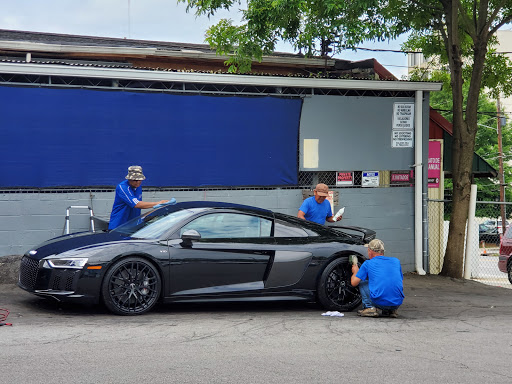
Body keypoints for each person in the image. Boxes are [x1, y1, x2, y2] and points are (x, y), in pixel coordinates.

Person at [350, 239, 404, 318]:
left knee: (362, 282)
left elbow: (353, 282)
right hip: (397, 303)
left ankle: (369, 307)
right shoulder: (396, 261)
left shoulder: (368, 263)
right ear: (383, 251)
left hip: (379, 303)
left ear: (370, 251)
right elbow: (399, 280)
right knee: (390, 282)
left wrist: (355, 272)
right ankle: (391, 310)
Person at [108, 165, 168, 230]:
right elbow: (137, 204)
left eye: (139, 180)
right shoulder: (123, 188)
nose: (138, 182)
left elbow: (139, 205)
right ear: (129, 179)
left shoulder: (138, 187)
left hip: (133, 226)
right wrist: (159, 203)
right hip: (119, 226)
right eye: (135, 180)